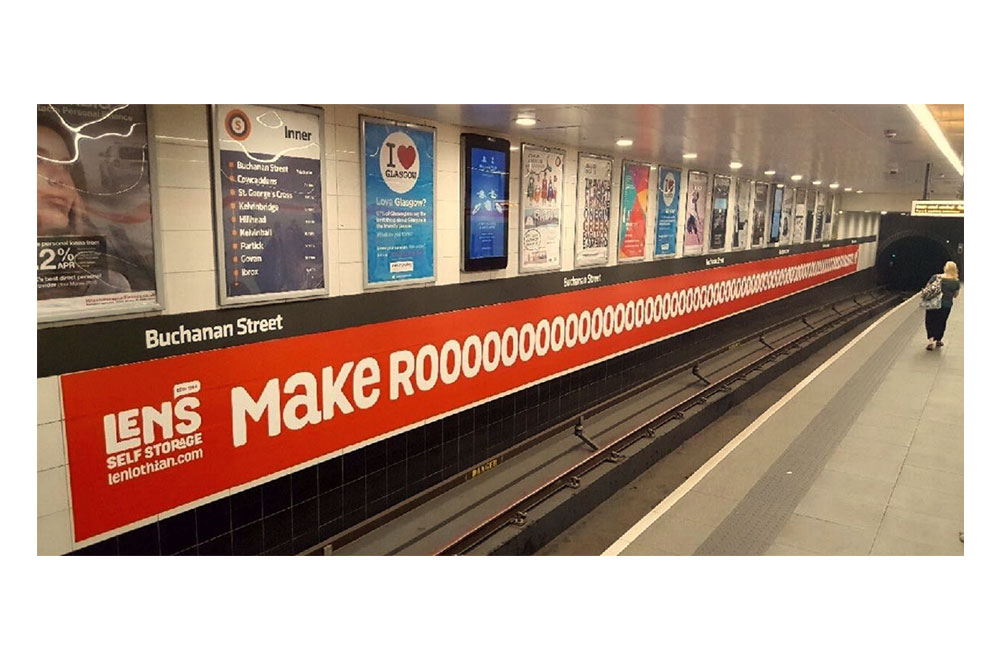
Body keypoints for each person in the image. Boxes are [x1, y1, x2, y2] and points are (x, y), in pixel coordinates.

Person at [924, 261, 961, 351]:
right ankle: (938, 340)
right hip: (946, 305)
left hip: (933, 303)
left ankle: (931, 341)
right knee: (941, 322)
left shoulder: (935, 277)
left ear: (945, 268)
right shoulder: (956, 281)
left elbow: (927, 287)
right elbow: (955, 295)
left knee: (930, 321)